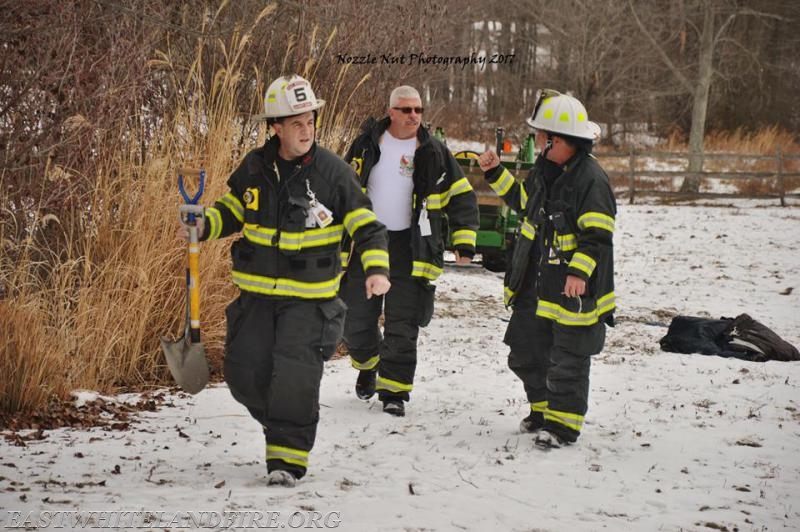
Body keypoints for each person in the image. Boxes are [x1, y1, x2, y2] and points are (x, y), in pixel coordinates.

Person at [184, 75, 391, 485]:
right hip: (256, 299)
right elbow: (232, 209)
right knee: (242, 374)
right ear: (275, 127)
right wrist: (204, 223)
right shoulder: (254, 167)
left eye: (310, 120)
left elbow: (368, 226)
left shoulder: (334, 173)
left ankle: (287, 461)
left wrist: (377, 269)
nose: (307, 129)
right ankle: (283, 424)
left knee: (296, 380)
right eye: (296, 123)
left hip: (310, 305)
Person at [477, 89, 616, 450]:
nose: (538, 141)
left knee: (568, 359)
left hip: (573, 290)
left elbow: (598, 236)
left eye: (542, 135)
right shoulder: (545, 170)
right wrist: (495, 173)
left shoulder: (591, 180)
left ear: (559, 138)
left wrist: (579, 272)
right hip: (537, 284)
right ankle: (542, 411)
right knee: (524, 352)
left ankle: (562, 427)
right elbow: (526, 204)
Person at [341, 85, 479, 417]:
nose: (413, 115)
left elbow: (461, 195)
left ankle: (394, 392)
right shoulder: (365, 145)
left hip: (411, 246)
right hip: (366, 243)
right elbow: (340, 189)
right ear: (391, 112)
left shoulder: (433, 151)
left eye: (418, 110)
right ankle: (368, 365)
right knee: (355, 318)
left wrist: (464, 240)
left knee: (403, 322)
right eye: (406, 110)